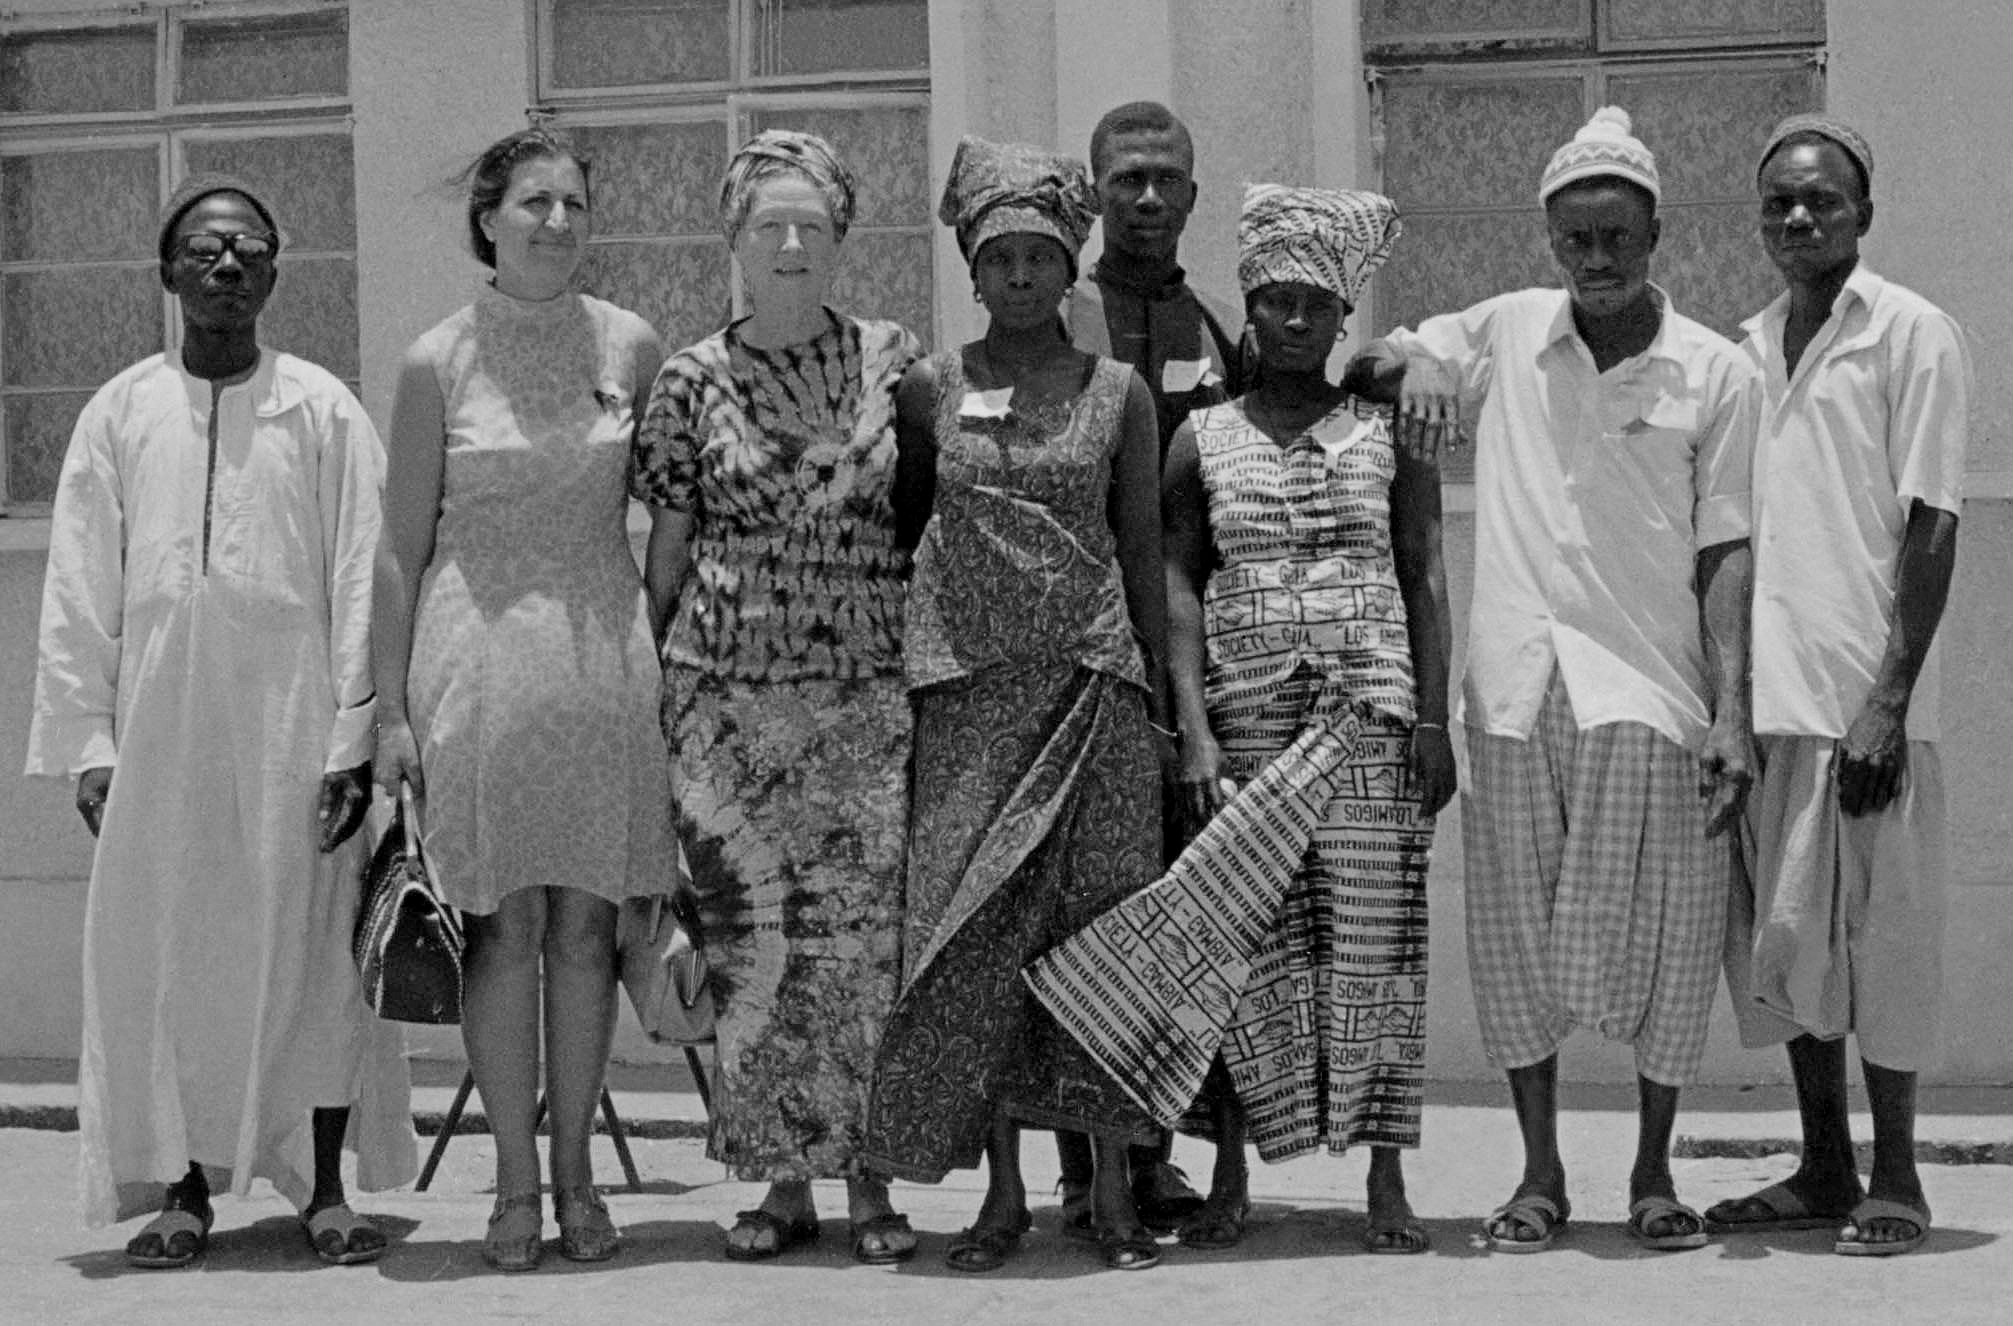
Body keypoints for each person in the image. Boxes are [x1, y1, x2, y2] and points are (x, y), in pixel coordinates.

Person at [1355, 107, 1759, 1253]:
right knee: (1512, 946)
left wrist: (1733, 712)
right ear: (1549, 240)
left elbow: (1729, 552)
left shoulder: (1717, 370)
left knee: (1675, 937)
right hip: (1515, 690)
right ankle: (1539, 1175)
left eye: (1617, 236)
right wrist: (1419, 366)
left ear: (1657, 235)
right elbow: (1367, 362)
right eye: (1576, 238)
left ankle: (1652, 1173)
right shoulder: (1507, 328)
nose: (1597, 258)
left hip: (1654, 693)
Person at [1028, 183, 1455, 1255]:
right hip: (1247, 716)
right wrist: (1195, 729)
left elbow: (1422, 572)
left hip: (1371, 714)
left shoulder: (1385, 432)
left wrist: (1433, 721)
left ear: (1343, 317)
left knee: (1376, 945)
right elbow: (1176, 580)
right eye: (1276, 301)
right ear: (1250, 313)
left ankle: (1386, 1176)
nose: (1297, 320)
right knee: (1239, 948)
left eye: (1318, 303)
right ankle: (1228, 1173)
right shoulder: (1203, 438)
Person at [25, 174, 415, 1268]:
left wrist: (354, 740)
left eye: (249, 249)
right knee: (166, 960)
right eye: (204, 250)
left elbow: (364, 574)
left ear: (276, 274)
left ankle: (326, 1193)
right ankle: (183, 1192)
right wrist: (88, 747)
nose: (228, 265)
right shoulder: (121, 412)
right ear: (167, 273)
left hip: (298, 735)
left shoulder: (321, 408)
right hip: (160, 738)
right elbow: (78, 587)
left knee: (315, 960)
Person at [861, 135, 1169, 1273]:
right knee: (975, 941)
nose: (1023, 275)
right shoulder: (931, 388)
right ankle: (1000, 1199)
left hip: (1092, 692)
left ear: (1070, 265)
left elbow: (1141, 552)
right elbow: (907, 530)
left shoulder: (1119, 392)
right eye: (1002, 258)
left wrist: (1165, 711)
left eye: (1042, 255)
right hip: (969, 701)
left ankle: (1115, 1195)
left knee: (1103, 943)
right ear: (973, 271)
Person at [372, 128, 676, 1271]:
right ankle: (511, 1181)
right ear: (489, 220)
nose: (556, 223)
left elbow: (675, 512)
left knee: (589, 926)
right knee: (502, 926)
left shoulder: (630, 344)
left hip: (602, 660)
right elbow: (399, 549)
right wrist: (389, 714)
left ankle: (578, 1176)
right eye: (534, 203)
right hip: (479, 661)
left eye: (574, 205)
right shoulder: (435, 361)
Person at [631, 129, 924, 1266]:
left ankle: (870, 1180)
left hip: (861, 700)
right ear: (736, 242)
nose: (791, 245)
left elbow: (924, 516)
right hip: (726, 705)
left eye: (811, 225)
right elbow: (669, 547)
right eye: (770, 226)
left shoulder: (893, 361)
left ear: (842, 237)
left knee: (860, 945)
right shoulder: (691, 379)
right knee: (752, 944)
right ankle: (780, 1180)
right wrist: (651, 688)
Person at [1706, 115, 1970, 1259]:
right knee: (1789, 951)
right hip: (1771, 703)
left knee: (1885, 945)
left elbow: (1934, 521)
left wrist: (1888, 701)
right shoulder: (1744, 347)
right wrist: (1729, 705)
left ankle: (1897, 1177)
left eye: (1821, 199)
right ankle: (1824, 1167)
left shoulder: (1913, 332)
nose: (1799, 217)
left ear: (1865, 212)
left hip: (1870, 710)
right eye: (1780, 202)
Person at [1048, 98, 1249, 1236]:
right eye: (1126, 177)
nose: (1146, 197)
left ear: (1192, 195)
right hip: (1075, 659)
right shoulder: (1049, 312)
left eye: (1166, 178)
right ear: (1093, 192)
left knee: (1172, 914)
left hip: (1190, 658)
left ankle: (1152, 1153)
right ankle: (1081, 1166)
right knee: (1076, 914)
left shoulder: (1217, 331)